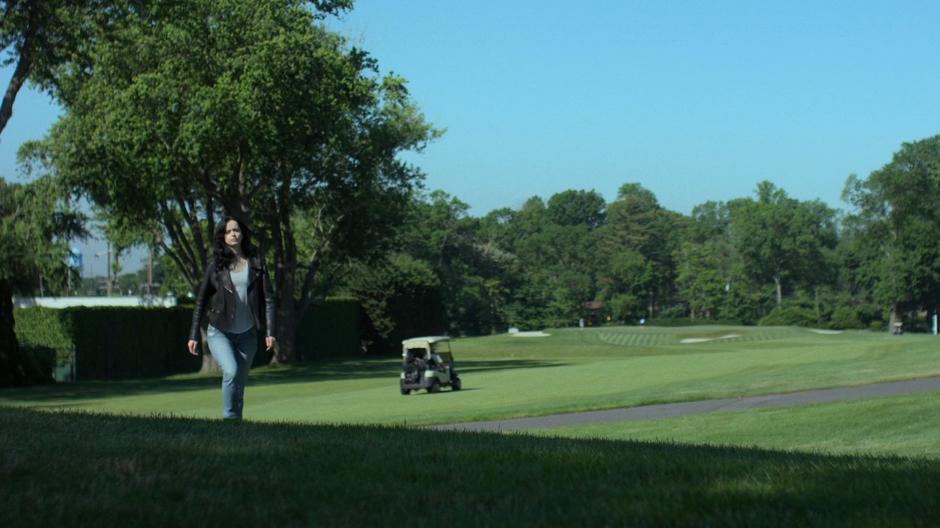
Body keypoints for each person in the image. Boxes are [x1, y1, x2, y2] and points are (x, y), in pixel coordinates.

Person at [187, 216, 276, 420]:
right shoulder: (215, 267)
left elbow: (269, 299)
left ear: (243, 233)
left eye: (236, 230)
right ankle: (229, 420)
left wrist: (270, 332)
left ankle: (236, 424)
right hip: (220, 332)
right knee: (231, 371)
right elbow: (200, 301)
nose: (233, 234)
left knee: (240, 383)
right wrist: (193, 335)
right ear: (223, 237)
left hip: (248, 334)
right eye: (228, 231)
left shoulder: (257, 263)